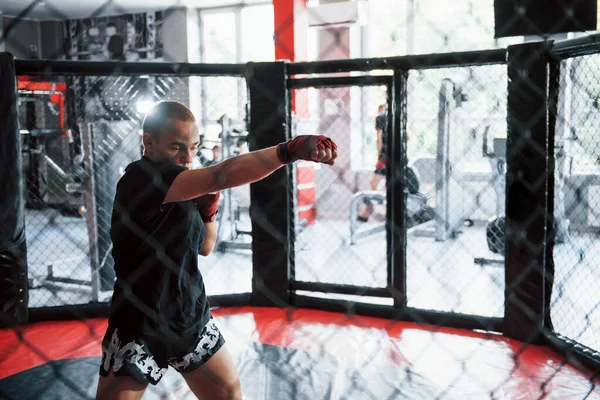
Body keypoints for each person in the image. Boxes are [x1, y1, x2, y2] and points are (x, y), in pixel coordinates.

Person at [96, 101, 338, 400]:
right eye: (176, 148)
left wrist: (208, 213)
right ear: (148, 142)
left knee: (229, 396)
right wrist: (287, 151)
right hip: (140, 323)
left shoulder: (183, 182)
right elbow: (220, 175)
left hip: (189, 315)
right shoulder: (140, 178)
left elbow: (206, 246)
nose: (187, 158)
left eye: (194, 147)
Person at [357, 104, 388, 222]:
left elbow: (379, 139)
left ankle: (368, 209)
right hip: (398, 157)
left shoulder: (381, 118)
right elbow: (408, 136)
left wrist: (380, 155)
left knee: (374, 183)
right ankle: (370, 210)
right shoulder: (399, 117)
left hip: (385, 157)